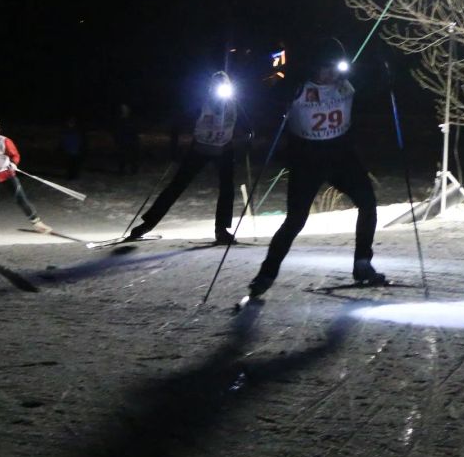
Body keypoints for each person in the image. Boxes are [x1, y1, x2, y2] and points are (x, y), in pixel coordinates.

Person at [247, 40, 385, 300]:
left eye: (334, 68)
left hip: (341, 155)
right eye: (325, 69)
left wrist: (384, 70)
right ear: (313, 68)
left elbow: (375, 88)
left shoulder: (346, 85)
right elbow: (265, 95)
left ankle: (362, 264)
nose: (331, 75)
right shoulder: (297, 88)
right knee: (295, 220)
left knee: (368, 204)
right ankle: (265, 275)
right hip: (307, 159)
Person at [126, 71, 246, 244]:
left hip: (223, 150)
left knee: (227, 190)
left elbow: (244, 124)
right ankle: (147, 224)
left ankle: (222, 230)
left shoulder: (234, 103)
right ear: (211, 87)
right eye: (217, 85)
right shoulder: (201, 103)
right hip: (199, 148)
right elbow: (180, 122)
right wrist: (174, 148)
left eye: (224, 84)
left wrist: (249, 135)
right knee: (177, 185)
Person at [113, 103, 140, 174]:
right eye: (122, 109)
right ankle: (122, 170)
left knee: (133, 156)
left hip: (132, 140)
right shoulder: (119, 119)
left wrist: (135, 139)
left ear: (128, 110)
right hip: (122, 141)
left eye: (125, 109)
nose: (123, 110)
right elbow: (116, 130)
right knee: (122, 156)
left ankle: (134, 170)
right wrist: (117, 139)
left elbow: (136, 129)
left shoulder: (132, 119)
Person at [58, 116, 86, 180]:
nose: (70, 124)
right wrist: (62, 147)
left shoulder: (77, 131)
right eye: (70, 123)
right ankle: (70, 176)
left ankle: (74, 175)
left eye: (72, 123)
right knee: (69, 164)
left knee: (75, 164)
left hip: (75, 150)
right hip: (68, 150)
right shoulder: (66, 131)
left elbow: (80, 141)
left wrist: (80, 148)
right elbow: (63, 140)